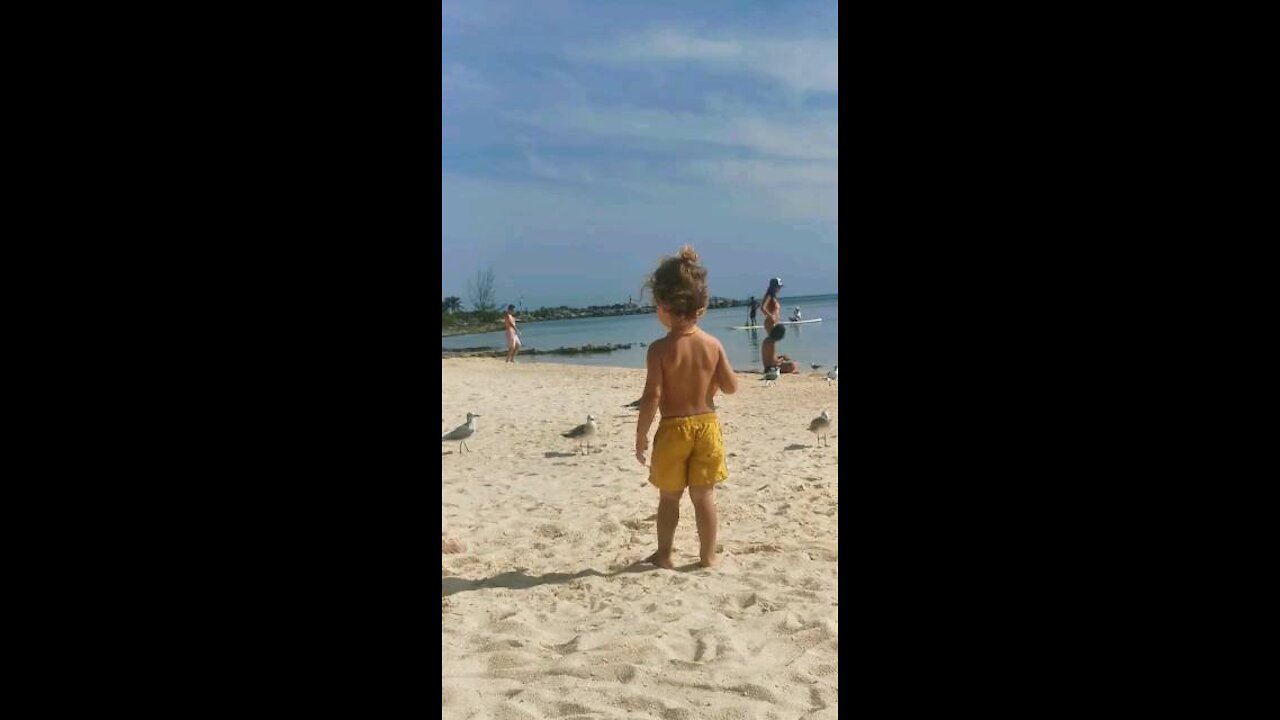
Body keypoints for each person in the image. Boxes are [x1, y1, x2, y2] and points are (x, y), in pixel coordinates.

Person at [635, 246, 738, 569]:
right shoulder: (712, 344)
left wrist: (641, 436)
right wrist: (709, 383)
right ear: (701, 306)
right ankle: (708, 556)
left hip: (673, 428)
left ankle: (665, 554)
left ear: (663, 306)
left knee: (669, 496)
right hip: (707, 427)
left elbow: (652, 395)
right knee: (704, 496)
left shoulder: (660, 350)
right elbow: (732, 386)